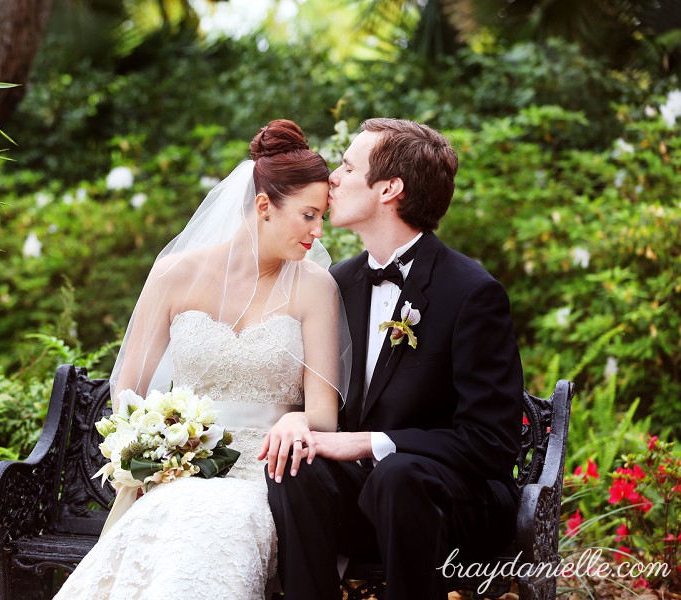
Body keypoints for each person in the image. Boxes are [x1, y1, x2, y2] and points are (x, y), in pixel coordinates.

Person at [53, 119, 352, 600]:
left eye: (323, 219)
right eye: (309, 216)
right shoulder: (175, 274)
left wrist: (296, 423)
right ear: (263, 207)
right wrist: (155, 457)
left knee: (218, 524)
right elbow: (127, 387)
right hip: (181, 472)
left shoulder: (316, 288)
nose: (318, 233)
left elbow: (323, 414)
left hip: (265, 475)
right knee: (179, 513)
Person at [265, 118, 524, 600]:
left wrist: (369, 443)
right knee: (295, 463)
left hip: (451, 506)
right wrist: (298, 421)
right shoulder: (336, 284)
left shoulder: (472, 293)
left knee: (399, 473)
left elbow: (492, 443)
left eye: (346, 166)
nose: (332, 179)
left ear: (389, 188)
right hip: (363, 504)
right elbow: (319, 396)